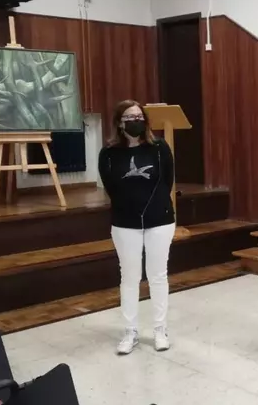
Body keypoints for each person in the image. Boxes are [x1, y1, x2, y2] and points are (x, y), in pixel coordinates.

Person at [98, 100, 175, 355]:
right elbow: (110, 187)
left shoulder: (159, 148)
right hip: (125, 222)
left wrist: (153, 207)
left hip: (159, 220)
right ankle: (130, 332)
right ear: (120, 123)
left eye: (139, 116)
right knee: (130, 277)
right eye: (130, 117)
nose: (135, 121)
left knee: (158, 275)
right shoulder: (108, 153)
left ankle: (160, 329)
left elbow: (167, 181)